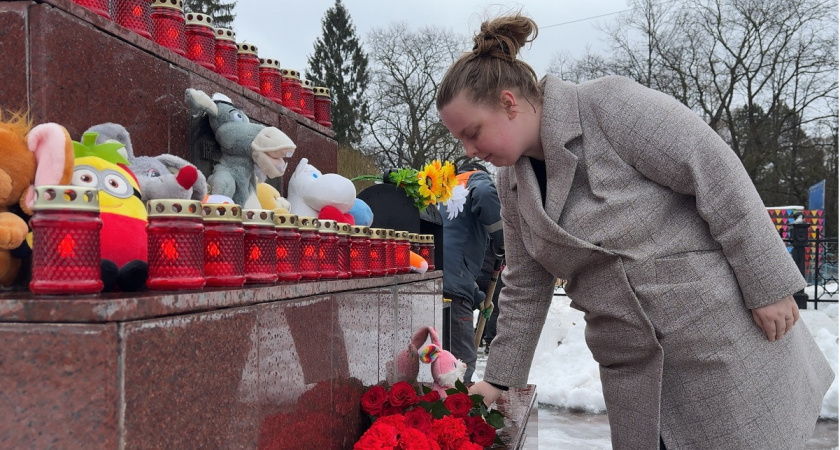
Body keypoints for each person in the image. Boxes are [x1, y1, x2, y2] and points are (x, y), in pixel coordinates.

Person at [435, 13, 834, 450]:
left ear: (509, 103)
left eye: (472, 134)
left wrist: (769, 284)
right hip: (631, 363)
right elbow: (525, 285)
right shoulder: (511, 186)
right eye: (461, 141)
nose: (469, 151)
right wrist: (499, 379)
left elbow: (713, 170)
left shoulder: (608, 106)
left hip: (714, 338)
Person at [441, 161, 504, 385]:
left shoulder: (442, 189)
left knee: (439, 360)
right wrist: (504, 242)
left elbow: (452, 253)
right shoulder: (475, 180)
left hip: (435, 283)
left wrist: (478, 297)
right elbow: (486, 193)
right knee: (461, 363)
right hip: (453, 291)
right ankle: (459, 413)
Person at [475, 236, 504, 353]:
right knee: (494, 308)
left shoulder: (483, 231)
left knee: (484, 304)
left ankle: (479, 334)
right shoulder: (498, 233)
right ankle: (490, 341)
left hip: (479, 272)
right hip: (493, 273)